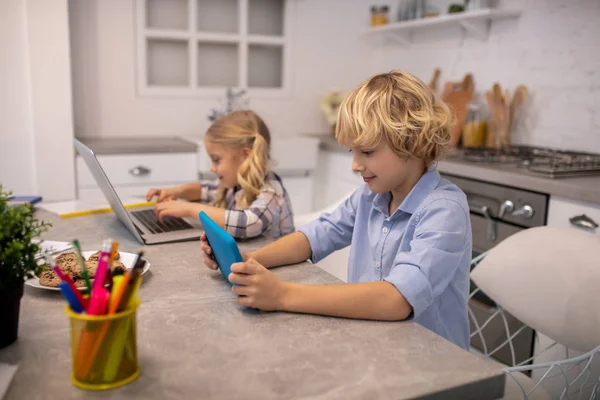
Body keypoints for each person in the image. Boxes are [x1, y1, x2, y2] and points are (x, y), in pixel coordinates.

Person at [201, 70, 473, 350]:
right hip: (373, 345)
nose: (355, 165)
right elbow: (316, 236)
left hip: (431, 361)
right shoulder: (370, 196)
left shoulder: (444, 210)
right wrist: (251, 259)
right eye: (352, 152)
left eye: (366, 152)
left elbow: (396, 300)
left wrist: (282, 295)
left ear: (413, 142)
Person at [146, 110, 294, 239]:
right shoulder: (235, 185)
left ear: (245, 156)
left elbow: (249, 223)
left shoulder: (272, 191)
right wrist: (177, 191)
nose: (212, 168)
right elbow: (206, 189)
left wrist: (190, 209)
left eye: (216, 160)